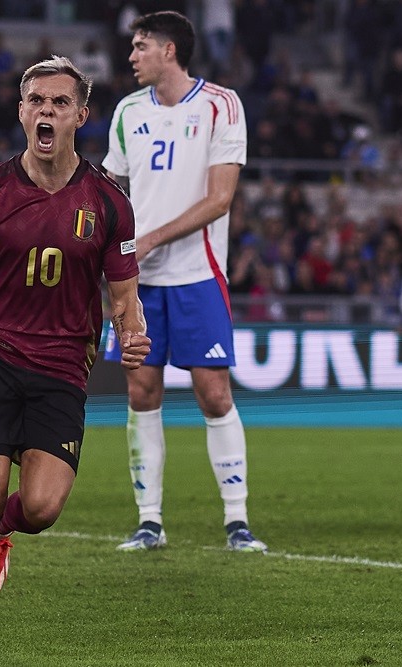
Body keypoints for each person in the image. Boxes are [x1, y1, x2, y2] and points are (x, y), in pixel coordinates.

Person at [0, 56, 150, 653]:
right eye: (36, 101)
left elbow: (123, 295)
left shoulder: (109, 202)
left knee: (40, 507)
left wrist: (135, 335)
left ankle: (1, 537)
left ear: (80, 116)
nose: (46, 111)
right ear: (21, 112)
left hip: (65, 365)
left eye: (59, 103)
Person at [101, 11, 267, 553]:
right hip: (139, 284)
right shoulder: (126, 112)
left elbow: (220, 199)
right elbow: (113, 190)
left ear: (169, 51)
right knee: (141, 390)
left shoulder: (222, 104)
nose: (131, 56)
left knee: (213, 393)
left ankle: (237, 521)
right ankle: (149, 521)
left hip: (198, 274)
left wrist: (150, 239)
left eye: (140, 46)